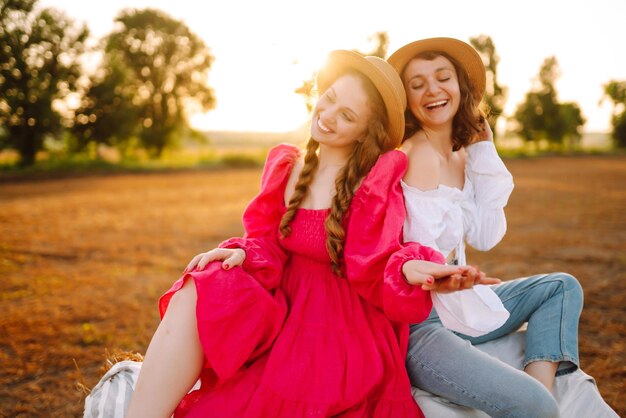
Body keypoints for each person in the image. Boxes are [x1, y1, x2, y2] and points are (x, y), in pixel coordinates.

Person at [124, 50, 479, 418]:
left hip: (338, 322)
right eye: (330, 100)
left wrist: (409, 269)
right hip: (283, 303)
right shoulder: (287, 167)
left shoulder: (371, 181)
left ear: (365, 133)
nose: (328, 116)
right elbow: (266, 242)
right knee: (201, 283)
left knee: (278, 398)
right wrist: (244, 254)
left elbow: (376, 259)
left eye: (347, 116)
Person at [386, 37, 618, 418]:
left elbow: (486, 236)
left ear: (460, 86)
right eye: (417, 84)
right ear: (407, 99)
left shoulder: (460, 153)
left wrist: (483, 150)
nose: (433, 90)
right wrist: (452, 276)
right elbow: (422, 258)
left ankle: (538, 388)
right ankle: (537, 401)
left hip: (459, 304)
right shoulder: (418, 154)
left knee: (560, 287)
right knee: (535, 406)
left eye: (442, 77)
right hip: (422, 323)